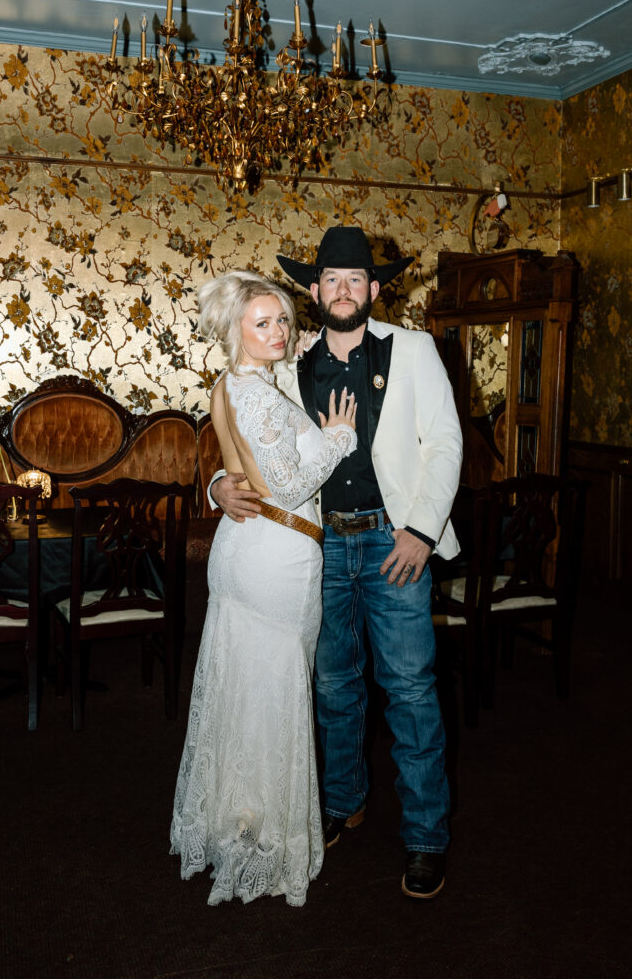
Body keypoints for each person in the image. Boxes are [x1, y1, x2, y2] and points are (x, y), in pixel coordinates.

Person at [211, 227, 463, 899]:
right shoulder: (287, 361)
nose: (343, 290)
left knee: (409, 689)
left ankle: (425, 837)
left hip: (394, 544)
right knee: (332, 686)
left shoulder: (412, 350)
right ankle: (343, 801)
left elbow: (443, 444)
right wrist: (218, 483)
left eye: (356, 279)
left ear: (374, 289)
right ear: (313, 289)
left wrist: (420, 529)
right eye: (330, 279)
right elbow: (254, 433)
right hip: (316, 548)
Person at [170, 270, 357, 908]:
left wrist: (222, 484)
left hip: (245, 553)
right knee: (274, 689)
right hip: (275, 555)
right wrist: (337, 439)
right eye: (263, 323)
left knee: (244, 690)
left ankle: (238, 819)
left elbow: (237, 461)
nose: (277, 330)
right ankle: (267, 837)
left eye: (282, 319)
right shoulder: (254, 393)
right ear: (235, 331)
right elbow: (286, 483)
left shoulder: (235, 382)